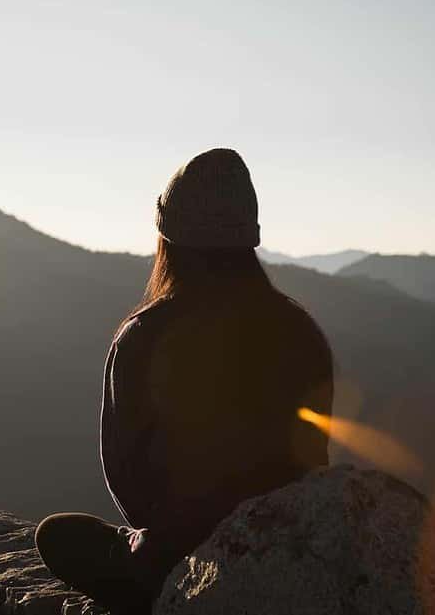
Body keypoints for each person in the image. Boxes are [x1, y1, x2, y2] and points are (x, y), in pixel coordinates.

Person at [34, 148, 333, 614]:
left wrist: (159, 537)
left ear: (169, 239)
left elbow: (128, 478)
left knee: (58, 534)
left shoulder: (145, 335)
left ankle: (147, 585)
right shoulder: (301, 333)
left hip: (182, 557)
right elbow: (314, 460)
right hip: (288, 546)